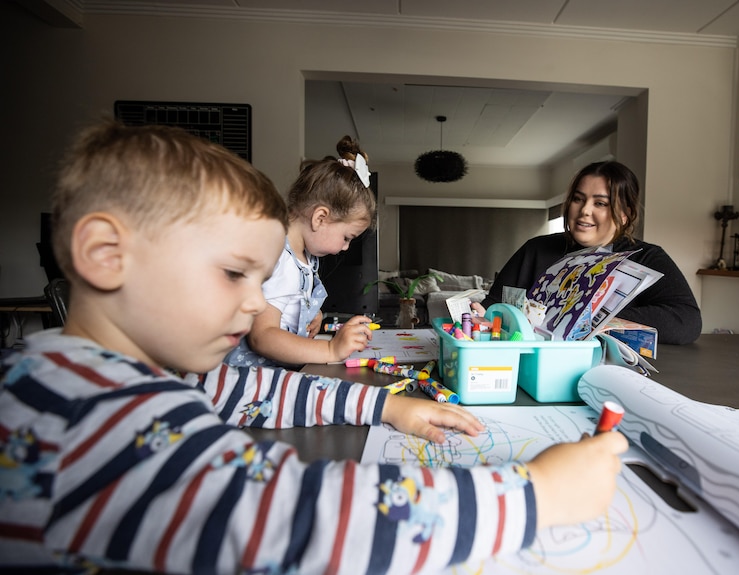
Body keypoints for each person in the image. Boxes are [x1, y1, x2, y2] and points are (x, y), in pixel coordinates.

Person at [0, 121, 628, 574]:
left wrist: (382, 409)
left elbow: (252, 389)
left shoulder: (124, 374)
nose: (255, 304)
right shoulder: (86, 413)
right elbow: (301, 518)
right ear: (108, 256)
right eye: (231, 274)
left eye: (258, 277)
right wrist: (536, 496)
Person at [479, 161, 702, 345]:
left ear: (625, 214)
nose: (584, 210)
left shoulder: (647, 257)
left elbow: (687, 323)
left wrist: (588, 318)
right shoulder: (535, 250)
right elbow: (493, 306)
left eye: (600, 203)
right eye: (578, 199)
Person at [224, 135, 376, 368]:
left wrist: (308, 314)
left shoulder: (303, 258)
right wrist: (330, 349)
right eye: (346, 238)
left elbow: (283, 304)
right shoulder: (279, 259)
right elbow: (262, 336)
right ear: (320, 218)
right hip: (249, 380)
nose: (345, 247)